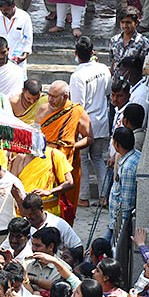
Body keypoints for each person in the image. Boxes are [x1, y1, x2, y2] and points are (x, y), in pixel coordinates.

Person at [35, 80, 91, 220]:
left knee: (67, 201)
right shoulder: (43, 109)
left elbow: (89, 138)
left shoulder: (77, 111)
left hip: (67, 161)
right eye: (49, 95)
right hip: (44, 161)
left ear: (65, 97)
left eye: (55, 97)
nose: (50, 100)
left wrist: (71, 147)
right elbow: (35, 133)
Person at [70, 36, 112, 208]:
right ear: (93, 52)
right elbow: (108, 92)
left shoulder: (77, 76)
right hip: (102, 120)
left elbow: (77, 106)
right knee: (98, 158)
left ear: (76, 54)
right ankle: (104, 196)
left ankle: (84, 197)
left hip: (86, 124)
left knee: (84, 159)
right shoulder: (103, 69)